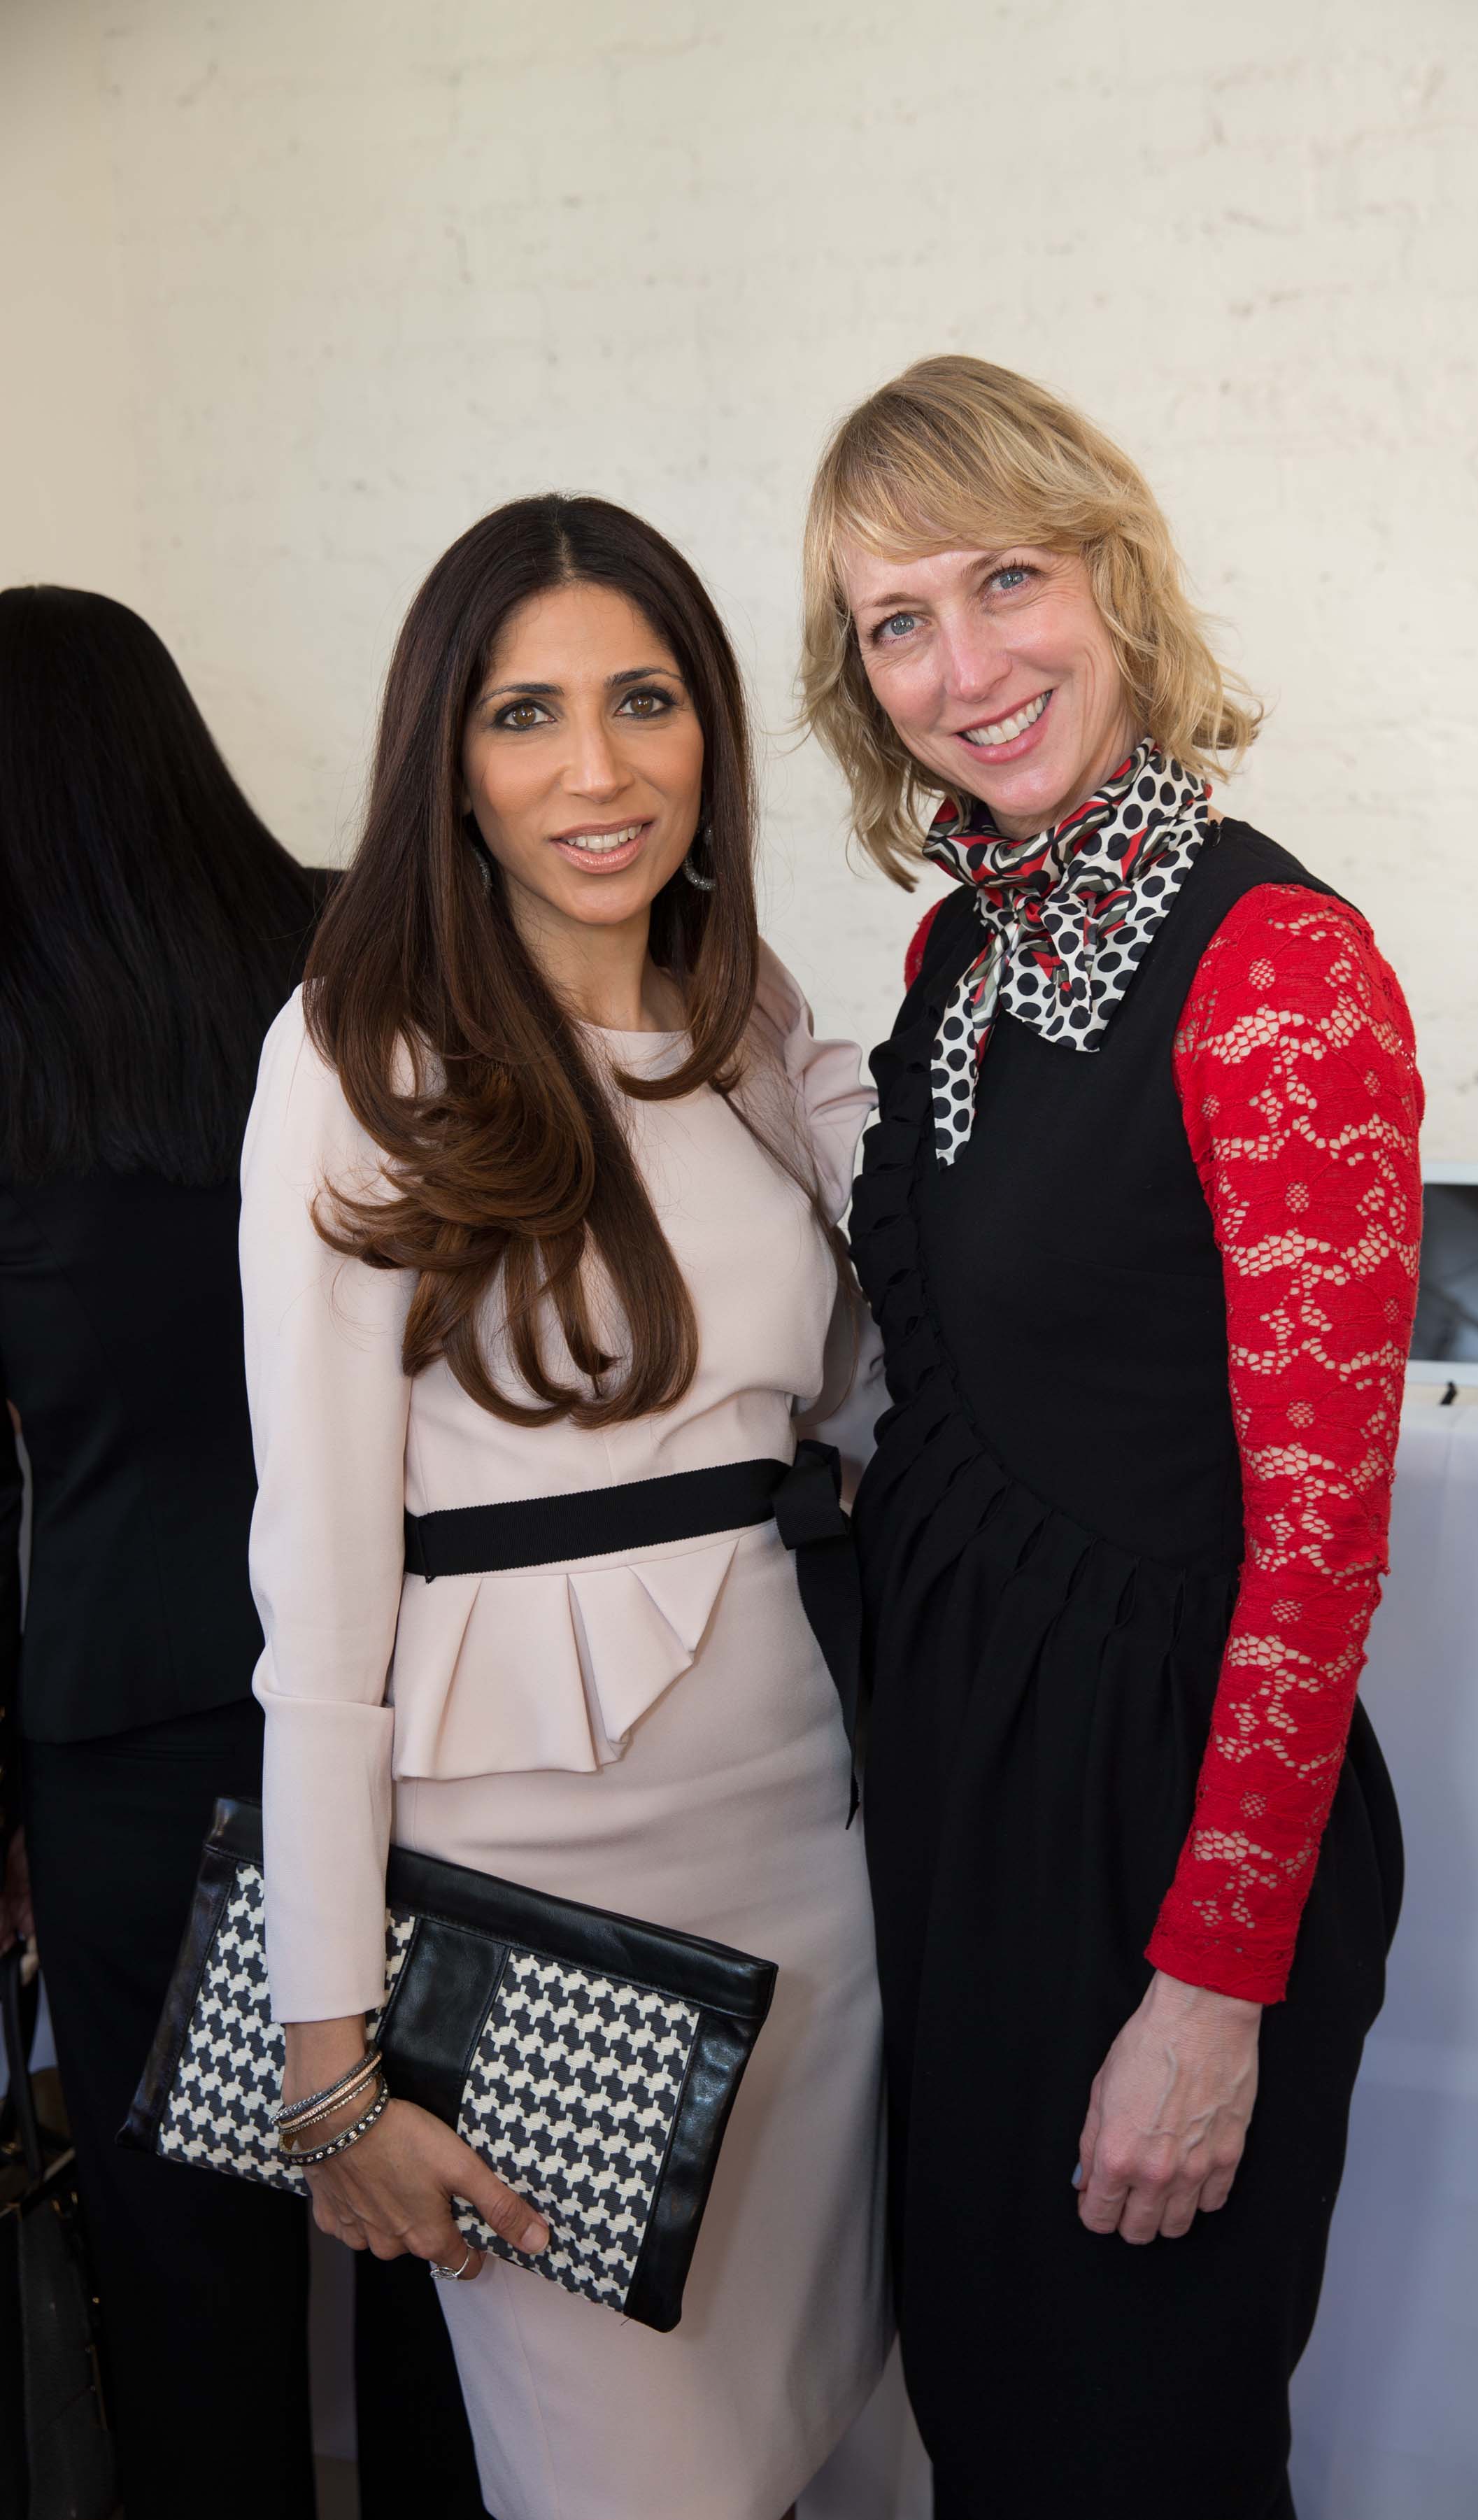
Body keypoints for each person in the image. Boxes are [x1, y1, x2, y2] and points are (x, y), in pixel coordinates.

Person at [797, 356, 1423, 2519]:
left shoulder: (1277, 967)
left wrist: (1208, 1988)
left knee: (1140, 2456)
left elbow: (1321, 1542)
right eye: (895, 621)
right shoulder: (950, 946)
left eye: (1004, 581)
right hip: (962, 1821)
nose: (962, 667)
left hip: (1163, 1851)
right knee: (995, 2441)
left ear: (1111, 579)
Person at [239, 493, 890, 2520]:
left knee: (853, 2439)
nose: (595, 769)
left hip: (815, 1839)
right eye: (524, 714)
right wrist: (329, 2056)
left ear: (712, 733)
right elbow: (317, 1592)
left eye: (644, 700)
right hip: (539, 1893)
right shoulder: (358, 1056)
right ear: (446, 762)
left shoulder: (751, 1009)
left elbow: (868, 1381)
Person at [0, 586, 488, 2519]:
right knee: (446, 2255)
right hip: (405, 1713)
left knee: (186, 2299)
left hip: (125, 1730)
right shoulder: (359, 956)